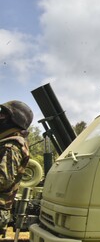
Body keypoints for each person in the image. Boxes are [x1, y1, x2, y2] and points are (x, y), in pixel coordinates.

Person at [0, 101, 31, 235]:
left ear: (14, 120)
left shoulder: (11, 147)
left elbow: (3, 180)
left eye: (3, 114)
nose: (0, 116)